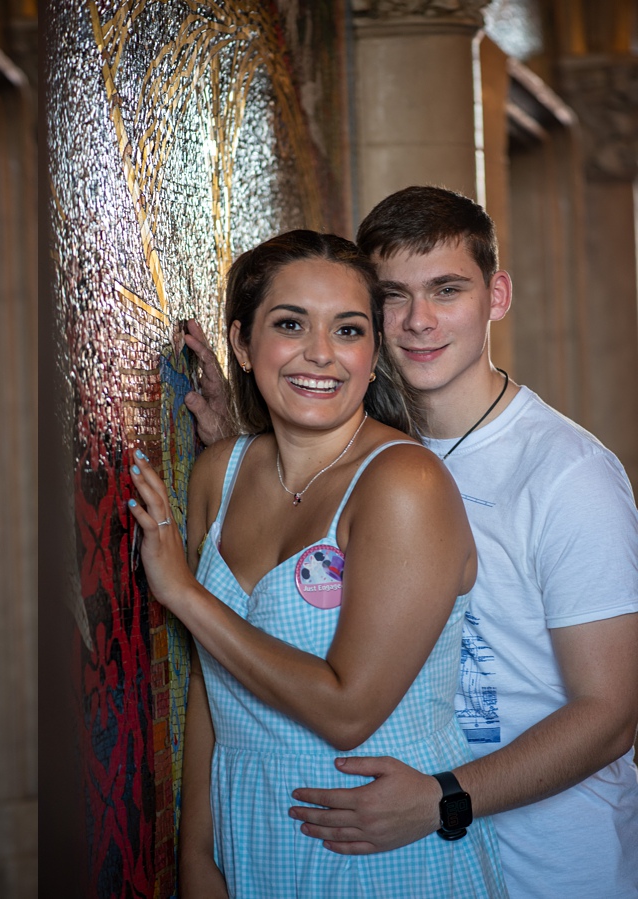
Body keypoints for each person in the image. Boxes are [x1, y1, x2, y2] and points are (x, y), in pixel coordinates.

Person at [187, 187, 638, 898]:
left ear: (497, 296)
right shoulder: (361, 449)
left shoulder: (567, 475)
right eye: (394, 296)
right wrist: (240, 447)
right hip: (373, 833)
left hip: (550, 857)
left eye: (447, 290)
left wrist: (444, 796)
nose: (420, 321)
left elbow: (611, 715)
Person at [129, 230, 507, 897]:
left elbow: (346, 707)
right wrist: (199, 851)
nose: (321, 354)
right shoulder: (220, 471)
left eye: (349, 329)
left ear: (373, 351)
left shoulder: (404, 483)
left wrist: (185, 594)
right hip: (251, 832)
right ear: (243, 344)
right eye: (290, 324)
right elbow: (214, 681)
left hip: (375, 843)